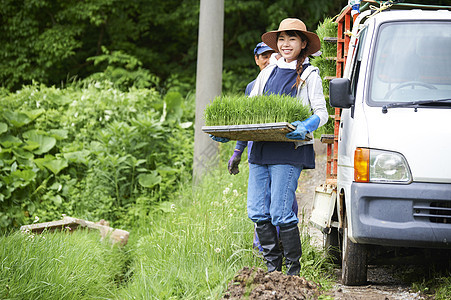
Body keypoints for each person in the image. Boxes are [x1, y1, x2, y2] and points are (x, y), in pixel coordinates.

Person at [211, 18, 328, 276]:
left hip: (288, 151)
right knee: (256, 210)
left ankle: (293, 273)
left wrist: (306, 125)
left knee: (280, 212)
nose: (286, 44)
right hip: (261, 151)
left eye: (292, 39)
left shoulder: (310, 75)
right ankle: (273, 269)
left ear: (303, 43)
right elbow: (250, 112)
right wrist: (228, 134)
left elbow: (322, 113)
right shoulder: (266, 73)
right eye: (282, 39)